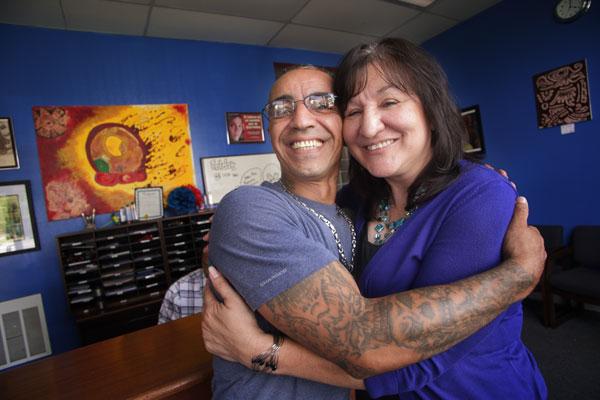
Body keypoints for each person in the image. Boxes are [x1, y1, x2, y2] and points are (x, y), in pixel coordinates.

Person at [203, 54, 546, 399]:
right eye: (281, 109)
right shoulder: (345, 204)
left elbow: (395, 352)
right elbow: (365, 343)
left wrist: (261, 350)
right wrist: (521, 273)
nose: (302, 120)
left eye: (322, 104)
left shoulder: (471, 194)